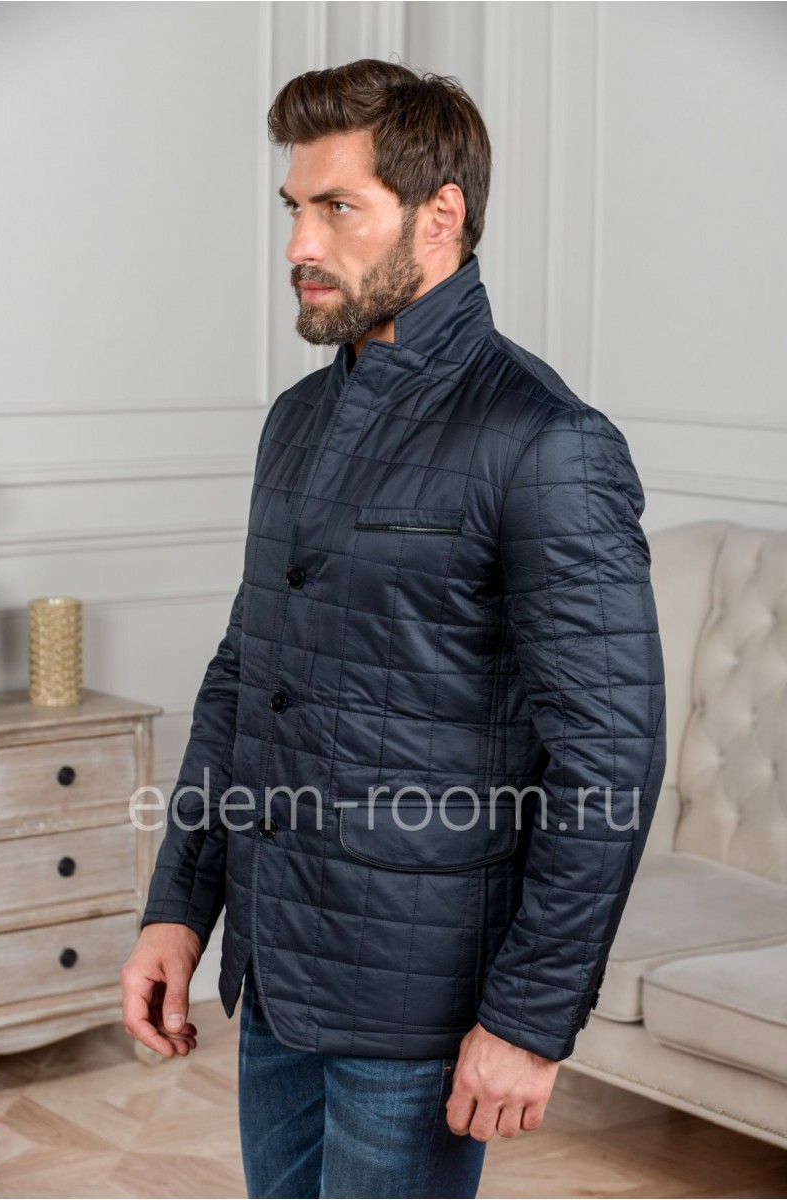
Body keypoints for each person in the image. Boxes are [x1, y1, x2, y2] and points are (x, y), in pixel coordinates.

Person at [121, 58, 667, 1200]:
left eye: (337, 208)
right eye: (294, 208)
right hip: (277, 974)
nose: (298, 244)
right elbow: (243, 677)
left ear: (439, 215)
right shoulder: (296, 420)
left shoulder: (545, 442)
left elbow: (607, 759)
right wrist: (180, 907)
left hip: (418, 1008)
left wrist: (528, 1019)